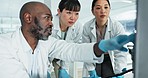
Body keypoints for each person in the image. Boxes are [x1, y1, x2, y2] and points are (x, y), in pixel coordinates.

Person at [0, 1, 133, 78]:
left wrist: (101, 46)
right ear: (28, 18)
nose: (51, 23)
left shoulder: (45, 42)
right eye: (47, 18)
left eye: (51, 19)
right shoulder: (5, 45)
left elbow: (72, 49)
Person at [82, 0, 129, 78]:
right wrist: (91, 70)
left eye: (106, 7)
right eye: (98, 8)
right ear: (92, 11)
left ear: (109, 9)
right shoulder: (87, 27)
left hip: (110, 59)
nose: (103, 11)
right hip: (94, 58)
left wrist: (119, 72)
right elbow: (85, 50)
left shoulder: (117, 27)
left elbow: (120, 52)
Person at [50, 0, 82, 78]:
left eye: (76, 14)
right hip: (46, 55)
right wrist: (46, 70)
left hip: (61, 56)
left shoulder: (78, 27)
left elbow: (71, 49)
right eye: (68, 13)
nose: (73, 18)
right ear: (59, 12)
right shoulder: (49, 25)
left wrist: (64, 68)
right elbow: (43, 52)